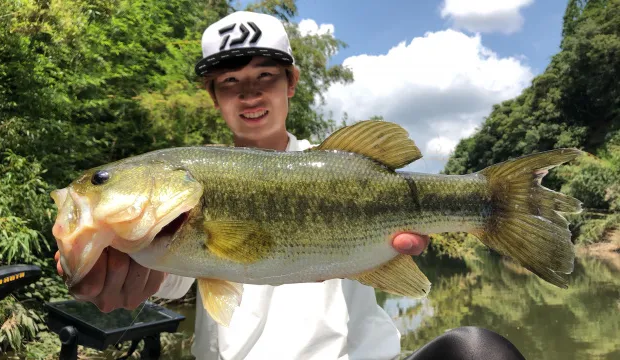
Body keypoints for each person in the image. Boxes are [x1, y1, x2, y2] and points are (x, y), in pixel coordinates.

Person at [55, 11, 526, 360]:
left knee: (481, 350)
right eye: (230, 82)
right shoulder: (174, 221)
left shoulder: (339, 164)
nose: (249, 94)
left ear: (292, 82)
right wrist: (129, 271)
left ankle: (492, 203)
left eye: (265, 77)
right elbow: (170, 276)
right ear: (213, 96)